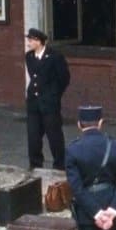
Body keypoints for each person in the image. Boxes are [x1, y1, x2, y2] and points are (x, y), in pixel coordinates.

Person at [24, 28, 71, 170]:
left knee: (54, 135)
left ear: (39, 41)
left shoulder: (54, 56)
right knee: (33, 136)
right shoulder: (29, 56)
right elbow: (34, 76)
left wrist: (54, 94)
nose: (28, 43)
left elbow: (64, 78)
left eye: (31, 40)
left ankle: (59, 164)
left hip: (49, 103)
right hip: (33, 103)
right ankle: (35, 165)